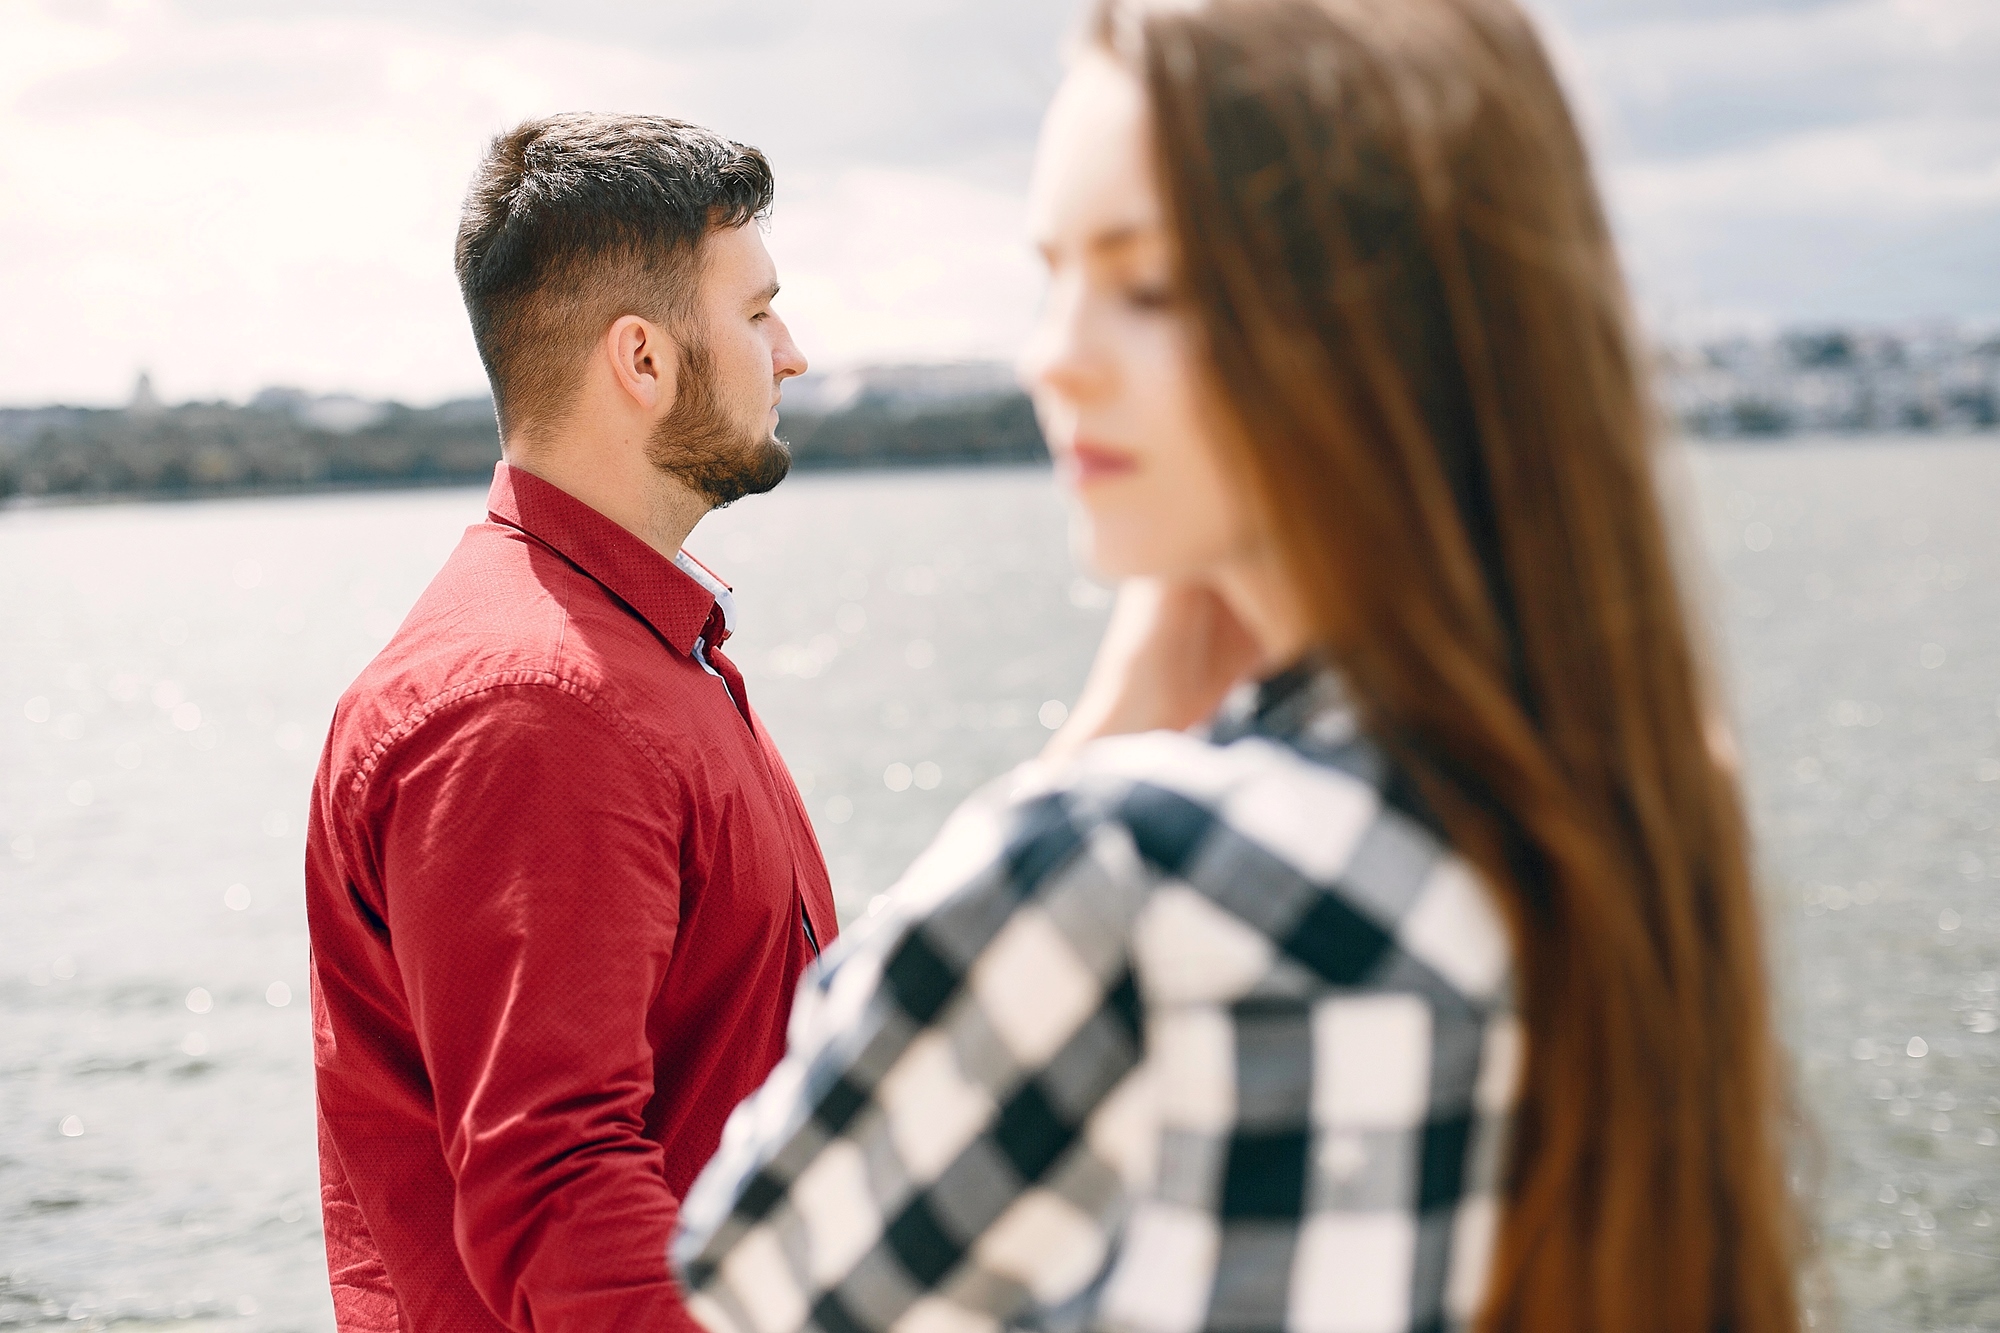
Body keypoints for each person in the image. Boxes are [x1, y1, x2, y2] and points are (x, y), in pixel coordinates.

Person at [671, 1, 1799, 1331]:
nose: (1057, 356)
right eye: (1056, 277)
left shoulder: (1122, 872)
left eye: (1148, 285)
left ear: (1384, 320)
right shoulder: (1630, 803)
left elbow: (746, 1276)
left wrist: (1116, 723)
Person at [305, 113, 835, 1332]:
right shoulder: (532, 704)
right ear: (641, 360)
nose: (792, 351)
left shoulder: (633, 649)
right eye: (756, 312)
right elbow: (564, 1198)